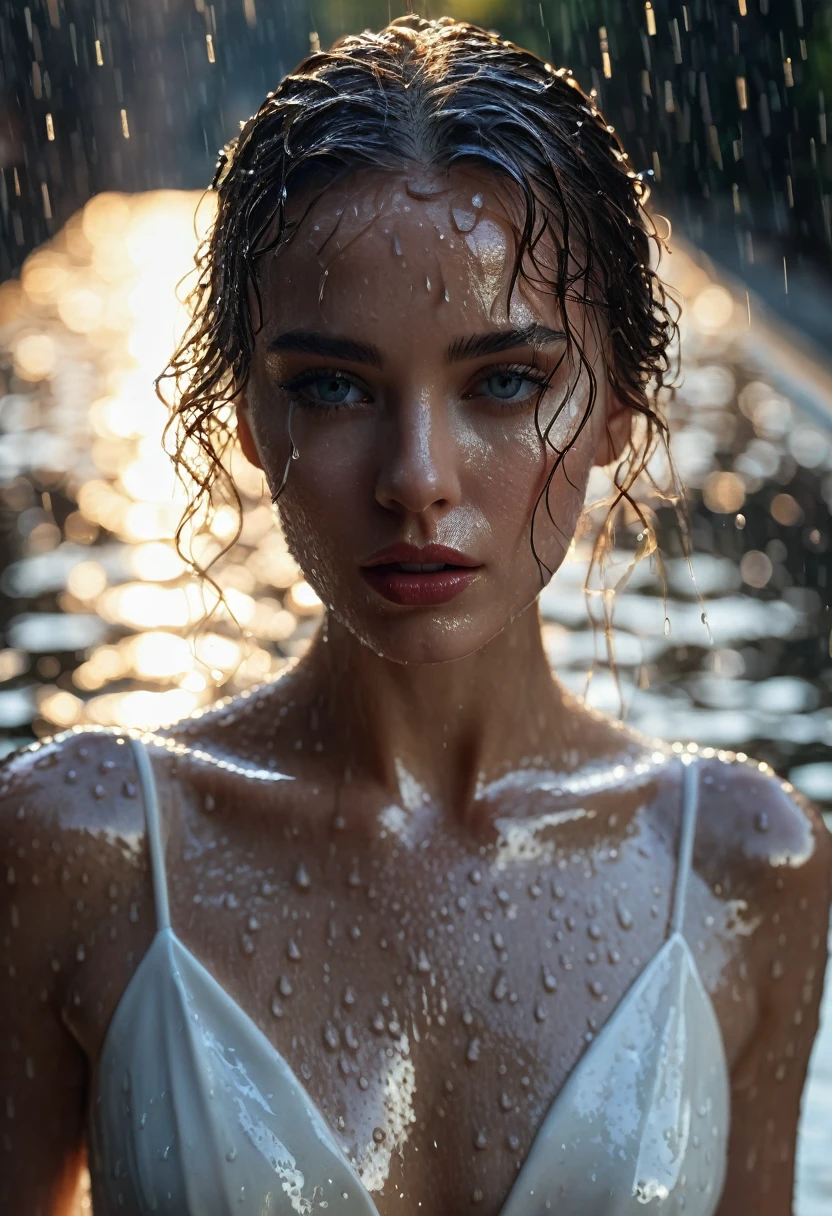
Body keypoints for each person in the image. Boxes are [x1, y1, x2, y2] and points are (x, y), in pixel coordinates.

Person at [1, 15, 830, 1216]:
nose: (417, 476)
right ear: (248, 418)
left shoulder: (745, 863)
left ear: (617, 404)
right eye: (332, 386)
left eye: (505, 380)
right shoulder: (83, 849)